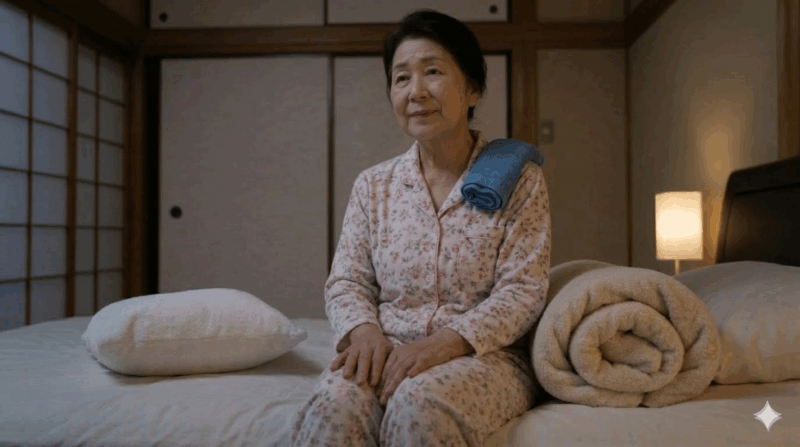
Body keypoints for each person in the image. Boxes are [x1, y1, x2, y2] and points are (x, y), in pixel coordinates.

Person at [289, 9, 551, 447]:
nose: (416, 92)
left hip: (482, 356)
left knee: (418, 402)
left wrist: (446, 343)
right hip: (385, 349)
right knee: (335, 404)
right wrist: (364, 332)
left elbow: (523, 290)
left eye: (433, 72)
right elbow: (347, 281)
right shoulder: (373, 185)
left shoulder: (517, 178)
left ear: (472, 88)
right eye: (401, 78)